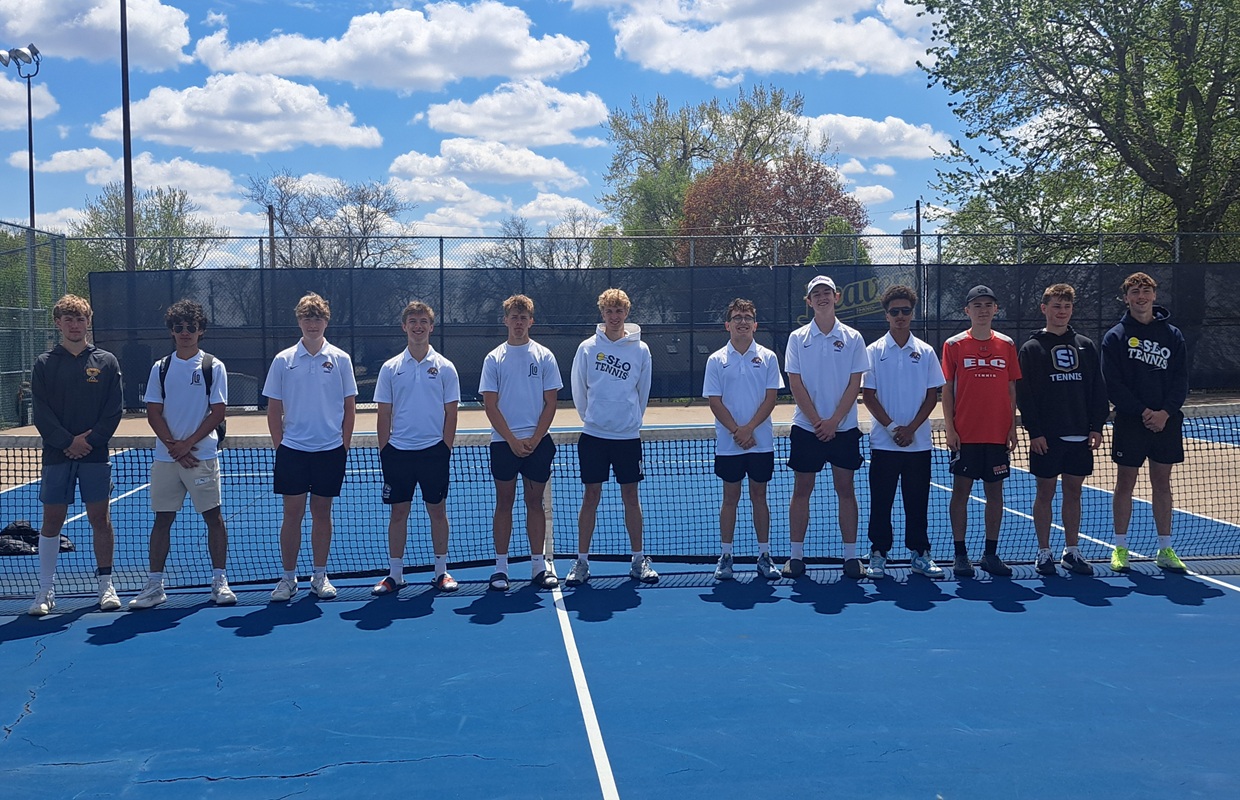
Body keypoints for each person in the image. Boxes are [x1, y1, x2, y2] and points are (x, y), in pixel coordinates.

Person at [129, 299, 236, 609]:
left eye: (191, 327)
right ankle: (154, 586)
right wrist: (174, 447)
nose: (185, 332)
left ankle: (219, 582)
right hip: (167, 460)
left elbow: (217, 412)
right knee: (162, 520)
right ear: (172, 331)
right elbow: (153, 411)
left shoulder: (212, 366)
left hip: (201, 457)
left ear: (201, 330)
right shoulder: (160, 368)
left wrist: (188, 444)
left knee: (214, 518)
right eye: (179, 328)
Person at [28, 294, 123, 616]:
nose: (74, 324)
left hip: (95, 457)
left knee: (100, 519)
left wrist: (90, 441)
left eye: (80, 318)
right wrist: (67, 441)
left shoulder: (106, 362)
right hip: (57, 456)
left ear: (88, 322)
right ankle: (45, 590)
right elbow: (41, 412)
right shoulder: (44, 363)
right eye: (68, 319)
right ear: (58, 323)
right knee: (52, 521)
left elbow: (113, 410)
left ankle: (105, 586)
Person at [263, 293, 357, 602]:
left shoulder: (341, 359)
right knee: (292, 514)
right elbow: (273, 408)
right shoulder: (283, 360)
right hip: (293, 451)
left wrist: (342, 446)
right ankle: (288, 579)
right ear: (299, 321)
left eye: (318, 318)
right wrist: (282, 447)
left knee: (322, 512)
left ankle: (320, 575)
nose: (312, 323)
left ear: (326, 321)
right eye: (307, 317)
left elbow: (349, 407)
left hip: (330, 451)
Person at [1016, 283, 1109, 576]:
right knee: (1044, 493)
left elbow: (1097, 388)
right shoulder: (1031, 348)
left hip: (1081, 435)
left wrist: (1096, 426)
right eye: (1056, 306)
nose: (1062, 312)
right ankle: (1044, 553)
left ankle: (1072, 551)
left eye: (1067, 306)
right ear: (1044, 309)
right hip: (1047, 437)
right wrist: (1035, 432)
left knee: (1074, 493)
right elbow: (1025, 395)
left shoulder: (1086, 345)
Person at [566, 288, 657, 585]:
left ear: (626, 312)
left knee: (631, 497)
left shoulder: (641, 350)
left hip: (627, 438)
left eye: (619, 311)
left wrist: (629, 422)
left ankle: (638, 559)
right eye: (609, 311)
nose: (614, 316)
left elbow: (642, 393)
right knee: (590, 496)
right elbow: (579, 390)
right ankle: (581, 562)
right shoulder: (587, 348)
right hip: (594, 436)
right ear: (602, 313)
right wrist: (593, 419)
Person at [1101, 272, 1190, 572]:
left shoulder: (1173, 335)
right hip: (1131, 422)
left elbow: (1181, 380)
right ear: (1126, 298)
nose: (1141, 296)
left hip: (1166, 422)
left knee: (1161, 482)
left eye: (1146, 291)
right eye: (1134, 292)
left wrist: (1165, 413)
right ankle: (1121, 548)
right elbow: (1113, 384)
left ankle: (1165, 548)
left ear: (1154, 295)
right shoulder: (1115, 337)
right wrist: (1142, 412)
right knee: (1125, 482)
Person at [371, 300, 461, 594]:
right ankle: (395, 574)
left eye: (424, 321)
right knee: (398, 514)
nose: (418, 326)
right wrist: (386, 451)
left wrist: (444, 449)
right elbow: (383, 414)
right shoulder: (390, 368)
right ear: (404, 327)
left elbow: (451, 412)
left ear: (431, 327)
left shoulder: (446, 368)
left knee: (437, 511)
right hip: (398, 453)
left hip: (434, 452)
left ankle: (441, 572)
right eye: (413, 321)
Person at [784, 275, 869, 579]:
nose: (821, 297)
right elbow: (795, 383)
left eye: (826, 293)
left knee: (845, 489)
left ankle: (851, 556)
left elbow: (854, 384)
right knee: (802, 490)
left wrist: (834, 421)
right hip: (806, 429)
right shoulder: (797, 339)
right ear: (808, 302)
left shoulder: (853, 338)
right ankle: (795, 556)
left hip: (843, 429)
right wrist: (818, 421)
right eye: (815, 294)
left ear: (836, 297)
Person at [861, 285, 947, 580]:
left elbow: (931, 395)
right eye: (894, 311)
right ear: (886, 315)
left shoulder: (925, 352)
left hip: (918, 444)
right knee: (881, 501)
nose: (900, 316)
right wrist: (892, 428)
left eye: (905, 311)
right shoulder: (872, 352)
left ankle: (920, 553)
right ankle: (878, 553)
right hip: (884, 445)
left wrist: (911, 429)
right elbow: (869, 396)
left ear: (912, 313)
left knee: (917, 501)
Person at [480, 295, 561, 591]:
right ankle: (501, 569)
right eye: (513, 317)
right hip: (504, 444)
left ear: (531, 321)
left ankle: (539, 566)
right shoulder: (494, 358)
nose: (518, 322)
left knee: (534, 503)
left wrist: (535, 439)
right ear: (505, 321)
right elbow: (490, 405)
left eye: (523, 317)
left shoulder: (544, 356)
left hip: (537, 444)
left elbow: (550, 402)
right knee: (504, 503)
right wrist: (512, 441)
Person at [941, 285, 1022, 577]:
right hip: (966, 434)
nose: (983, 310)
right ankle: (960, 555)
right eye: (977, 305)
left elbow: (1011, 388)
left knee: (995, 495)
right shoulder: (953, 345)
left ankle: (990, 554)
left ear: (996, 309)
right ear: (967, 311)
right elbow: (947, 389)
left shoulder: (1008, 345)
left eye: (988, 304)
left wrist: (1011, 427)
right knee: (961, 492)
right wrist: (950, 428)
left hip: (997, 435)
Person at [703, 298, 784, 581]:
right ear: (728, 324)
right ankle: (726, 556)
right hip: (729, 445)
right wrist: (737, 431)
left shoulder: (769, 357)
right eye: (737, 317)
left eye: (747, 317)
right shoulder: (716, 360)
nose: (742, 321)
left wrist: (749, 429)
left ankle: (764, 555)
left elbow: (771, 398)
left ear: (755, 324)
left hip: (760, 444)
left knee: (759, 498)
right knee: (730, 499)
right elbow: (715, 401)